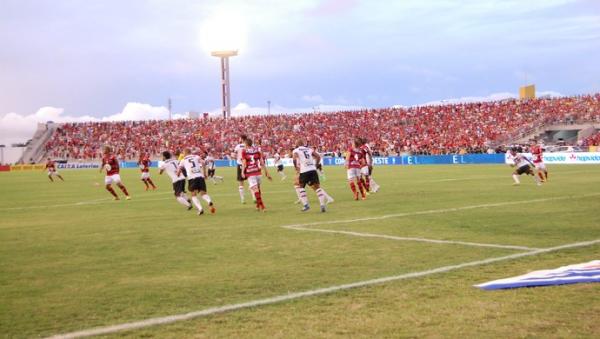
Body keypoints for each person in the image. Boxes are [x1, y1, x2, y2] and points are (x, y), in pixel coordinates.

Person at [293, 139, 334, 212]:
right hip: (312, 170)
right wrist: (316, 165)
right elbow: (318, 156)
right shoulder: (309, 149)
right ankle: (322, 205)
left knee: (301, 187)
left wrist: (296, 167)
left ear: (297, 144)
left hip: (304, 171)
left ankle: (306, 205)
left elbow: (294, 159)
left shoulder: (296, 150)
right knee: (317, 187)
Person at [178, 148, 216, 215]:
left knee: (193, 195)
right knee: (203, 193)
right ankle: (209, 201)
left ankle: (200, 209)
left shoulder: (183, 160)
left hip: (192, 178)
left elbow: (179, 170)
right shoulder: (196, 156)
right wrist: (204, 173)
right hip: (200, 176)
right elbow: (203, 163)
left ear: (186, 153)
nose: (183, 154)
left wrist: (178, 174)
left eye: (183, 153)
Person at [241, 138, 271, 211]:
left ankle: (263, 206)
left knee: (255, 190)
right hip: (258, 172)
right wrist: (266, 172)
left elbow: (244, 163)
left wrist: (242, 172)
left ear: (246, 144)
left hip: (250, 173)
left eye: (244, 144)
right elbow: (262, 162)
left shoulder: (244, 151)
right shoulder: (257, 150)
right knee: (258, 189)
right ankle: (258, 205)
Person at [233, 134, 254, 204]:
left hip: (240, 165)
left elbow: (233, 154)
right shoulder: (250, 145)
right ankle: (254, 197)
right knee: (251, 181)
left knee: (241, 182)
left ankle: (242, 199)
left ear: (241, 139)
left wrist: (236, 157)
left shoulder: (238, 146)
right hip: (248, 164)